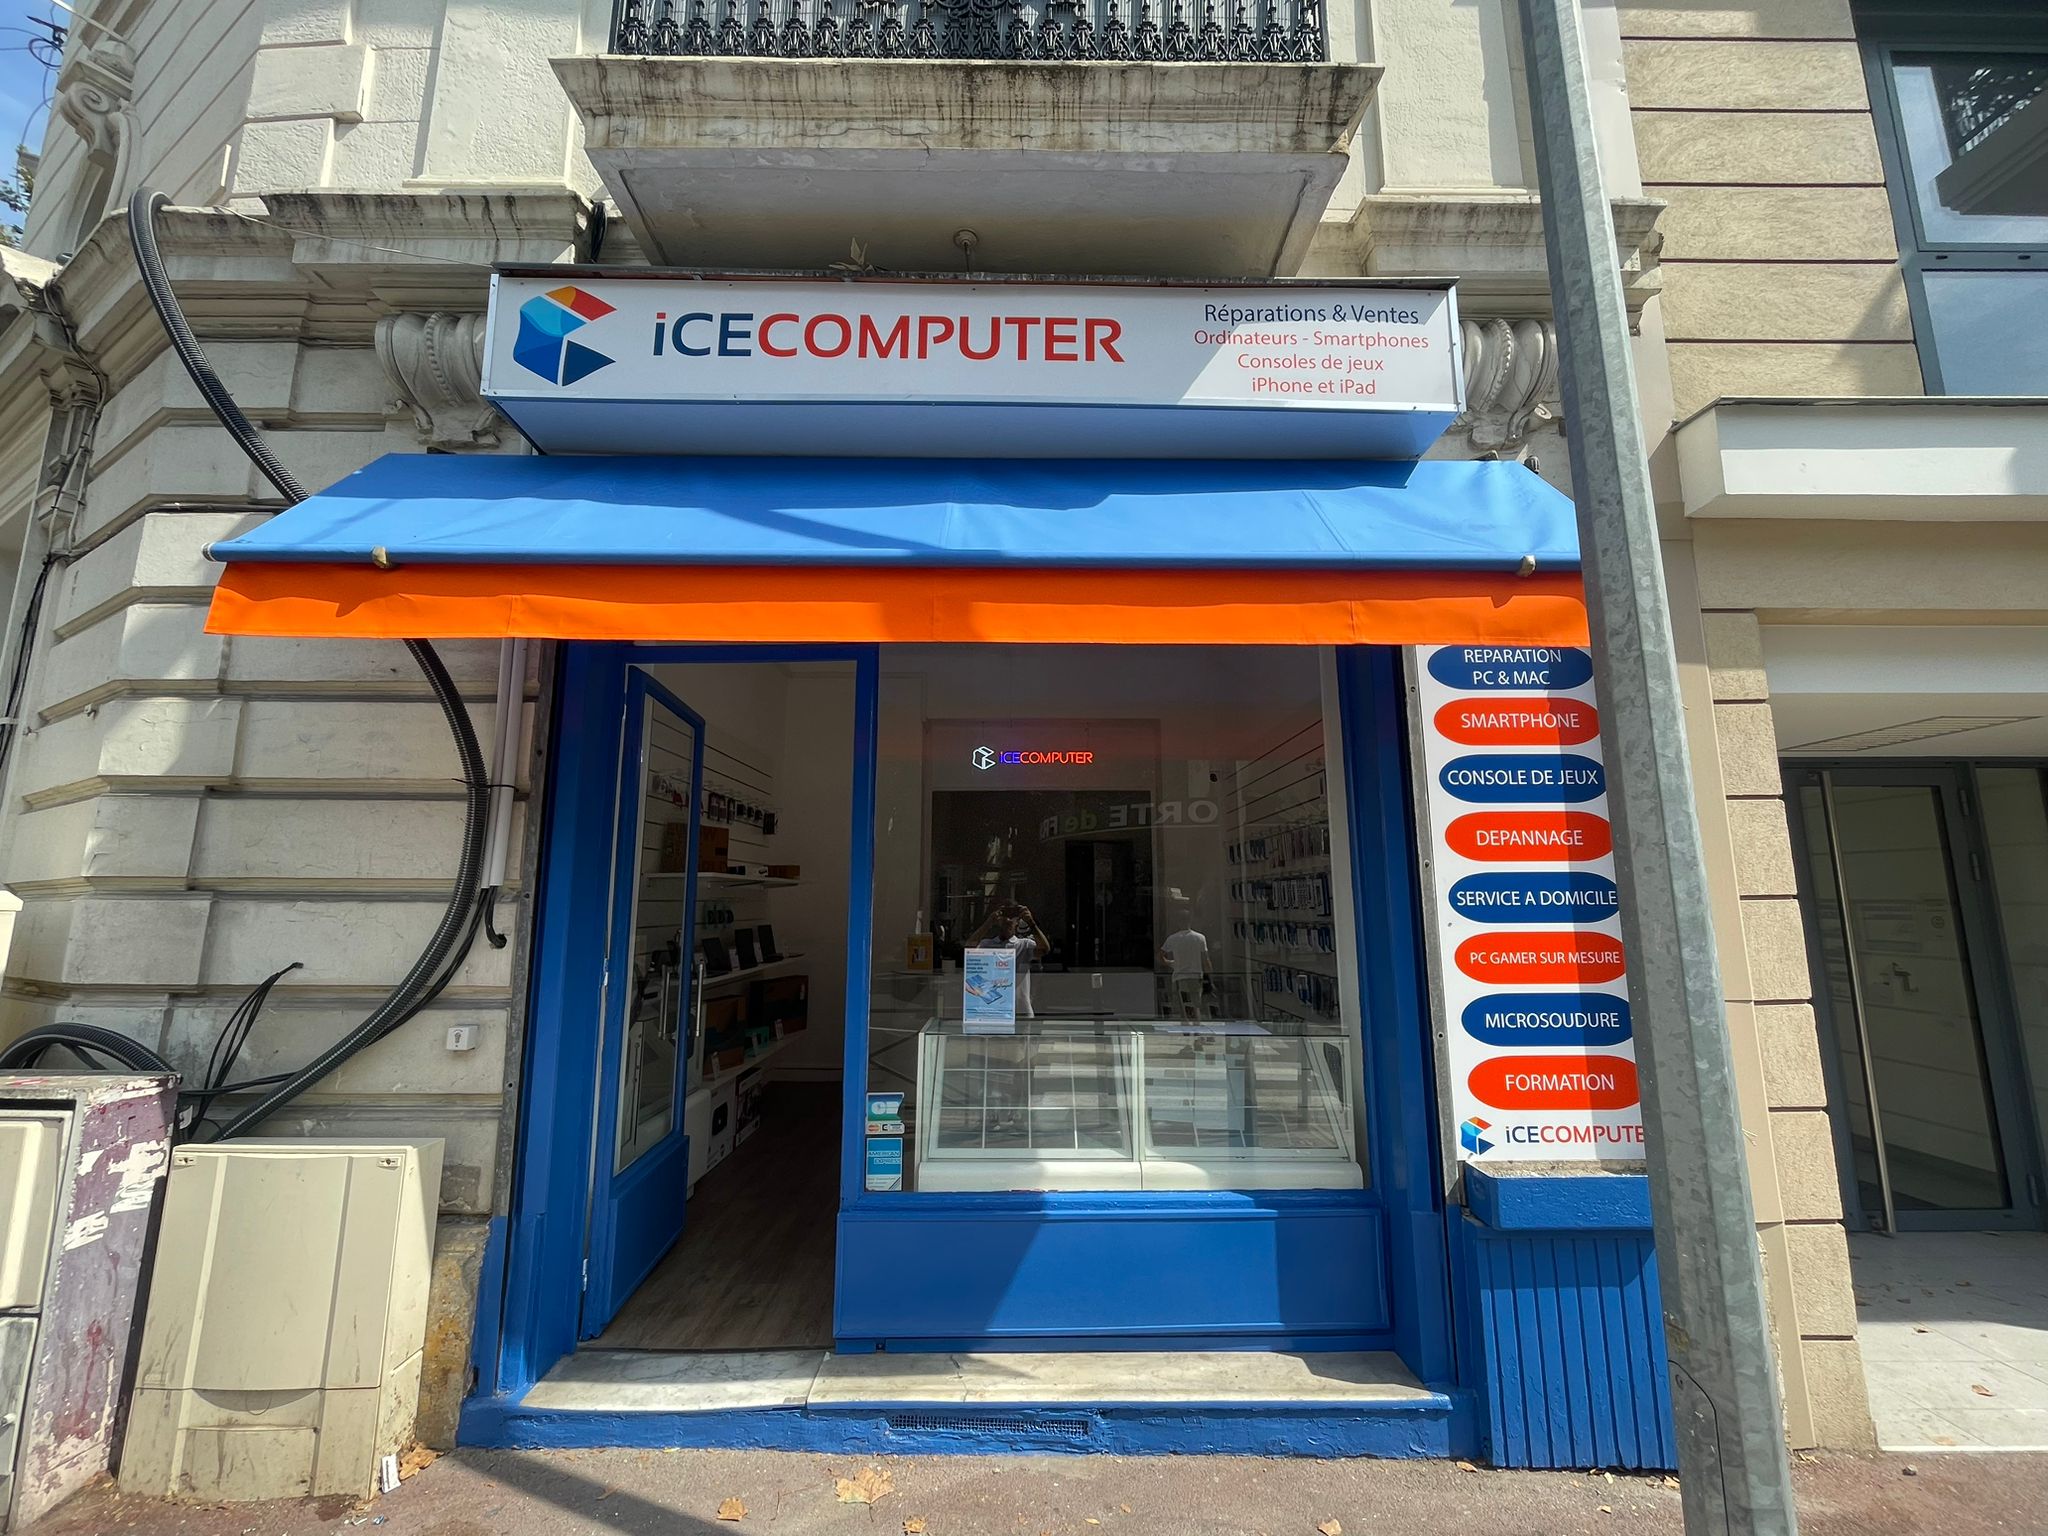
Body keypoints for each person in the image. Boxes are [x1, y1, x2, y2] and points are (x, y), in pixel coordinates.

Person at [967, 901, 1049, 1019]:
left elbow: (1044, 949)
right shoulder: (987, 944)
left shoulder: (1024, 945)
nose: (1008, 920)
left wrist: (1031, 923)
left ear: (1017, 922)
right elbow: (969, 949)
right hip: (994, 1009)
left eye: (1012, 917)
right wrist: (988, 923)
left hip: (1020, 1009)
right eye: (1005, 915)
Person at [1160, 912, 1211, 1023]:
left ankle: (1185, 1023)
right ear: (1190, 921)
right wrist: (1209, 975)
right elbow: (1205, 959)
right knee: (1196, 1004)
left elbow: (1160, 954)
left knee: (1182, 1004)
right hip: (1196, 975)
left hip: (1180, 976)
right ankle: (1197, 1023)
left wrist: (1170, 963)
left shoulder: (1173, 938)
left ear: (1178, 922)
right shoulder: (1200, 938)